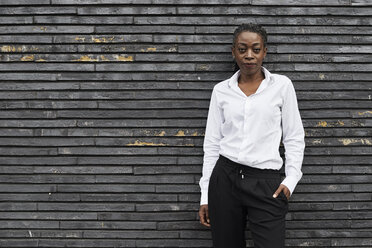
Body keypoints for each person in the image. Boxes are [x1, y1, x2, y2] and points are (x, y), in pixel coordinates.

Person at [198, 23, 305, 248]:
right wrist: (206, 195)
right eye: (242, 49)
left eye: (256, 49)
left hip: (266, 182)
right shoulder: (221, 90)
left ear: (264, 51)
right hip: (225, 179)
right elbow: (212, 144)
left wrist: (291, 179)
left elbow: (294, 136)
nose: (249, 55)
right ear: (233, 52)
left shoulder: (282, 86)